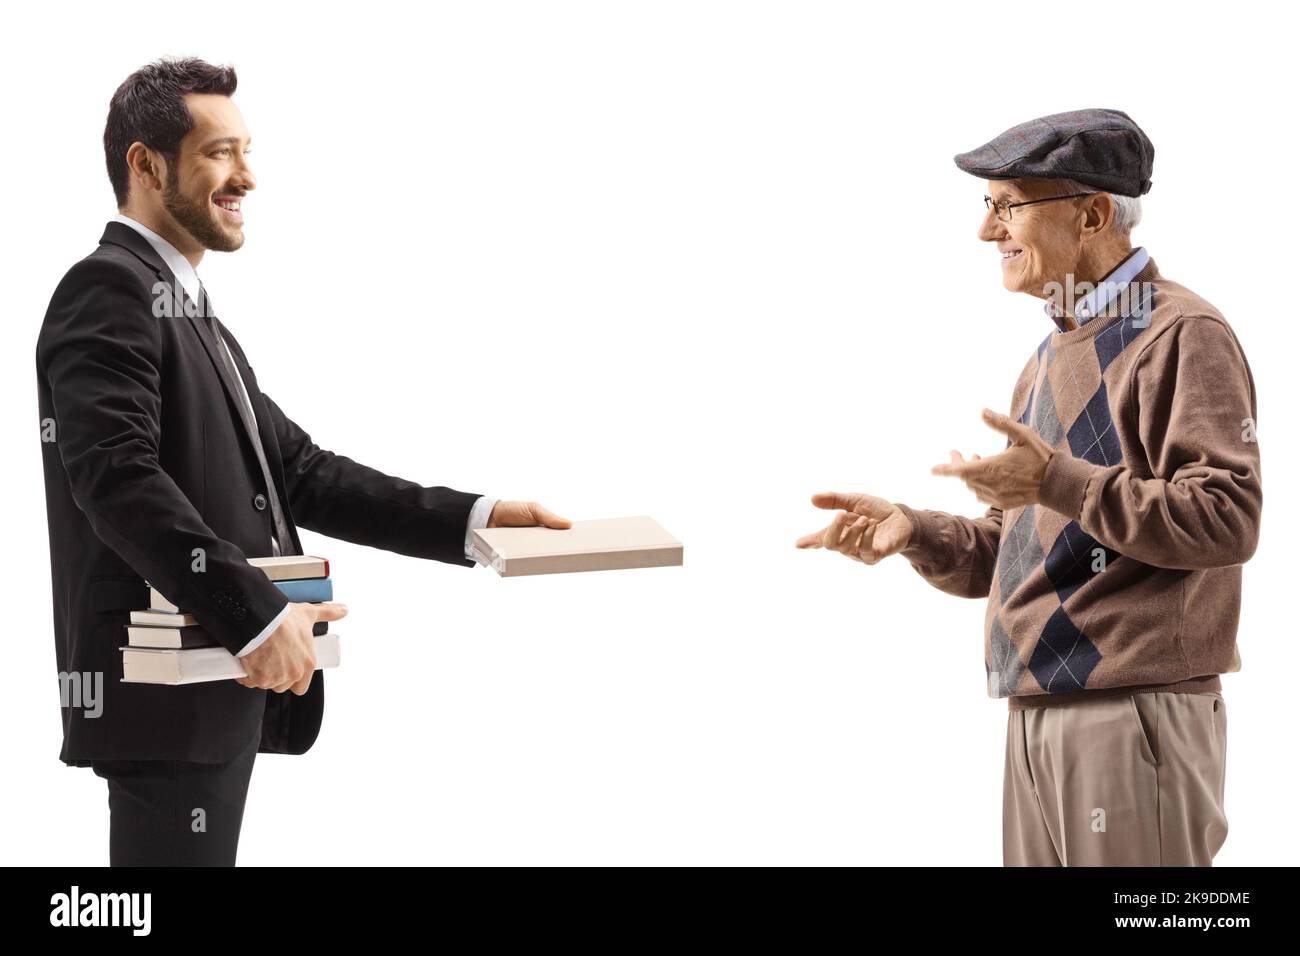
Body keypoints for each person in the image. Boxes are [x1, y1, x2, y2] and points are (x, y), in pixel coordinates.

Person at [36, 58, 570, 865]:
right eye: (218, 152)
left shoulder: (184, 309)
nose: (245, 175)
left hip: (213, 691)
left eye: (246, 150)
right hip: (169, 691)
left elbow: (302, 470)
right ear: (144, 165)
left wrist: (476, 519)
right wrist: (252, 616)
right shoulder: (108, 289)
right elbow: (115, 478)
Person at [797, 109, 1262, 866]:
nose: (988, 233)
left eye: (1008, 205)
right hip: (1041, 711)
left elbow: (1224, 518)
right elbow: (1017, 548)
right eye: (989, 208)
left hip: (1129, 713)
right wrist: (914, 531)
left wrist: (1054, 478)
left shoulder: (1182, 333)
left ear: (1092, 212)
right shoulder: (1049, 354)